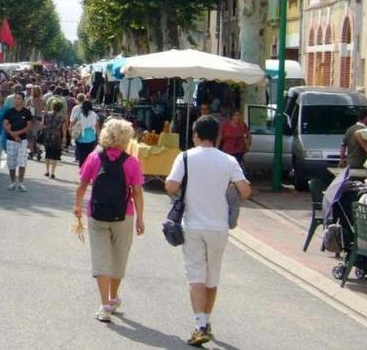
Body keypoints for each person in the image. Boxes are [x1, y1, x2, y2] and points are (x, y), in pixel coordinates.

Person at [165, 116, 251, 346]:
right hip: (219, 226)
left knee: (195, 277)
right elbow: (245, 190)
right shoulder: (229, 160)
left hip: (192, 224)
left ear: (195, 135)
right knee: (212, 278)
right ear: (218, 136)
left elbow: (171, 185)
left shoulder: (185, 157)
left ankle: (200, 324)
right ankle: (206, 321)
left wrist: (185, 192)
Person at [73, 117, 145, 323]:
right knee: (119, 258)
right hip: (124, 214)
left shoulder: (94, 158)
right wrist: (140, 219)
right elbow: (138, 192)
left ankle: (105, 304)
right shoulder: (132, 162)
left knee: (101, 258)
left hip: (97, 213)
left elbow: (83, 184)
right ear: (126, 138)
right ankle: (113, 297)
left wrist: (78, 206)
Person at [3, 92, 33, 191]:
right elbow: (5, 125)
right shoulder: (9, 112)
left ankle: (21, 183)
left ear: (23, 100)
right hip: (11, 140)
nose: (16, 100)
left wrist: (18, 133)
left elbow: (29, 126)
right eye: (15, 98)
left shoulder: (26, 112)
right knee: (11, 162)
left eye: (19, 99)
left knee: (22, 162)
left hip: (22, 141)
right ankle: (12, 182)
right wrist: (13, 134)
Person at [72, 100, 99, 167]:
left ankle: (81, 168)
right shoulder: (94, 115)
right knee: (88, 155)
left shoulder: (80, 114)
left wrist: (73, 128)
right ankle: (86, 168)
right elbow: (97, 126)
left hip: (80, 137)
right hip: (91, 137)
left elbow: (73, 123)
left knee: (81, 155)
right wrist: (99, 135)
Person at [44, 101, 65, 179]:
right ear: (61, 108)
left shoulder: (47, 114)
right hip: (56, 137)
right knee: (55, 155)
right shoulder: (61, 117)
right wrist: (64, 137)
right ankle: (52, 172)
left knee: (47, 154)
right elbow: (63, 128)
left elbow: (44, 124)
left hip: (47, 135)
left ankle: (47, 171)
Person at [27, 85, 45, 161]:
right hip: (39, 120)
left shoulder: (30, 99)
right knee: (37, 137)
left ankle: (31, 152)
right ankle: (38, 151)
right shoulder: (42, 101)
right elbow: (44, 111)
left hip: (31, 120)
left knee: (30, 137)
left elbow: (26, 109)